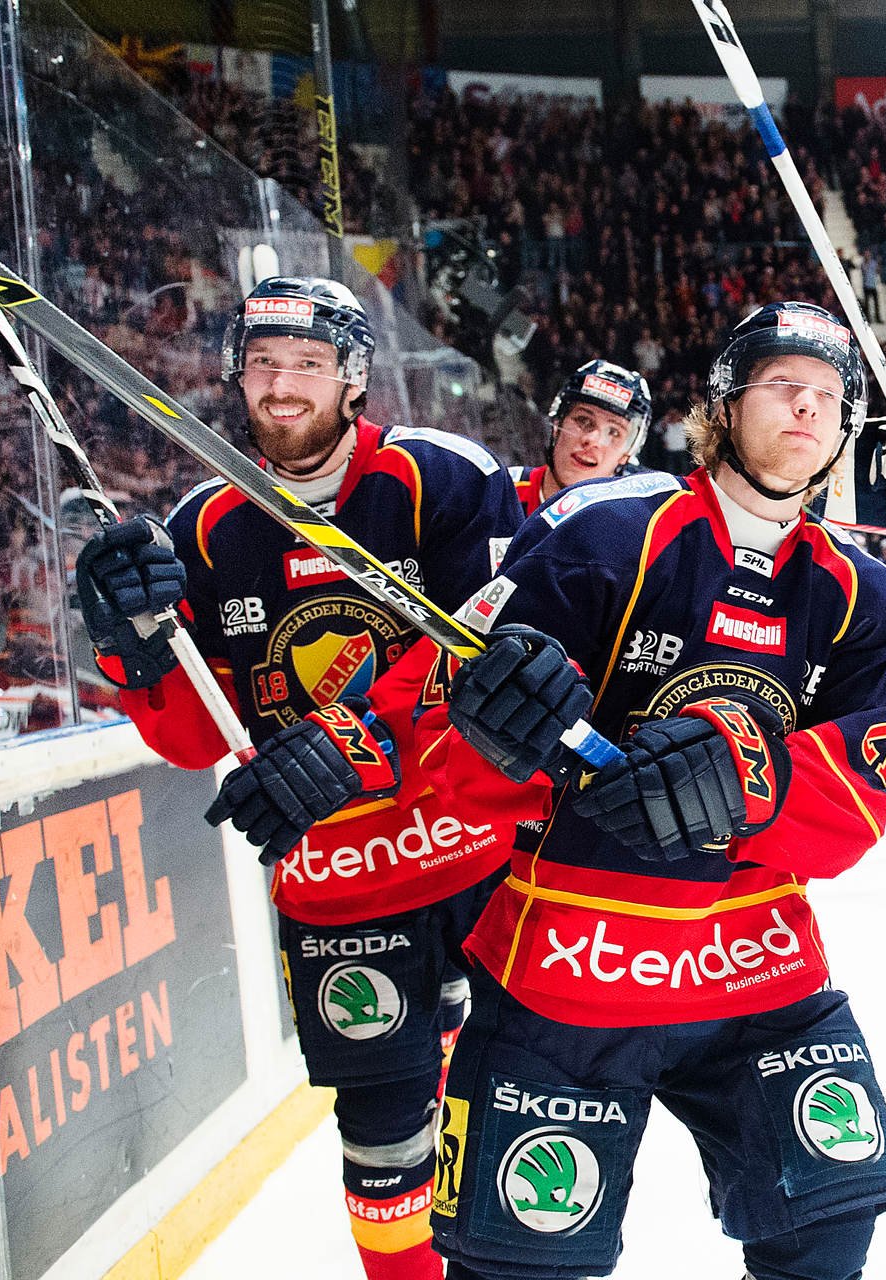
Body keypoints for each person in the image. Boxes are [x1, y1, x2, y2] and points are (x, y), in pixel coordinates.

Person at [406, 301, 886, 1280]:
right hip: (572, 960)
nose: (806, 409)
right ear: (723, 404)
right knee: (516, 1264)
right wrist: (493, 724)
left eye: (826, 397)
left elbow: (855, 810)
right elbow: (449, 759)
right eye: (782, 386)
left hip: (752, 962)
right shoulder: (600, 532)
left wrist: (741, 767)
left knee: (827, 1227)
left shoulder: (865, 595)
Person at [72, 276, 526, 1280]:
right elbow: (197, 737)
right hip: (341, 879)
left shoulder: (443, 478)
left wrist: (353, 740)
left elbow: (503, 649)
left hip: (470, 853)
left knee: (503, 1117)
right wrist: (134, 651)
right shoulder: (202, 525)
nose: (280, 386)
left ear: (354, 377)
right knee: (382, 1146)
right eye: (262, 363)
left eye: (307, 364)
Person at [509, 358, 652, 514]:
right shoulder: (500, 492)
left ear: (627, 454)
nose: (592, 440)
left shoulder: (636, 529)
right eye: (583, 420)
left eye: (614, 432)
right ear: (557, 423)